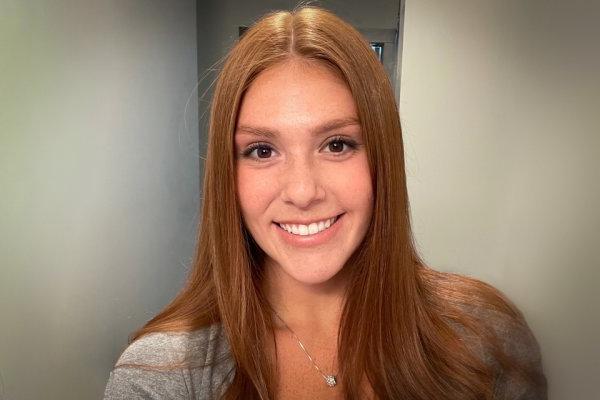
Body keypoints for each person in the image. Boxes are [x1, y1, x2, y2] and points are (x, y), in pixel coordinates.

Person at [103, 6, 546, 400]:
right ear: (228, 176)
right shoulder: (161, 377)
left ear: (381, 159)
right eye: (261, 150)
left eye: (337, 145)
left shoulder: (486, 340)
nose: (302, 191)